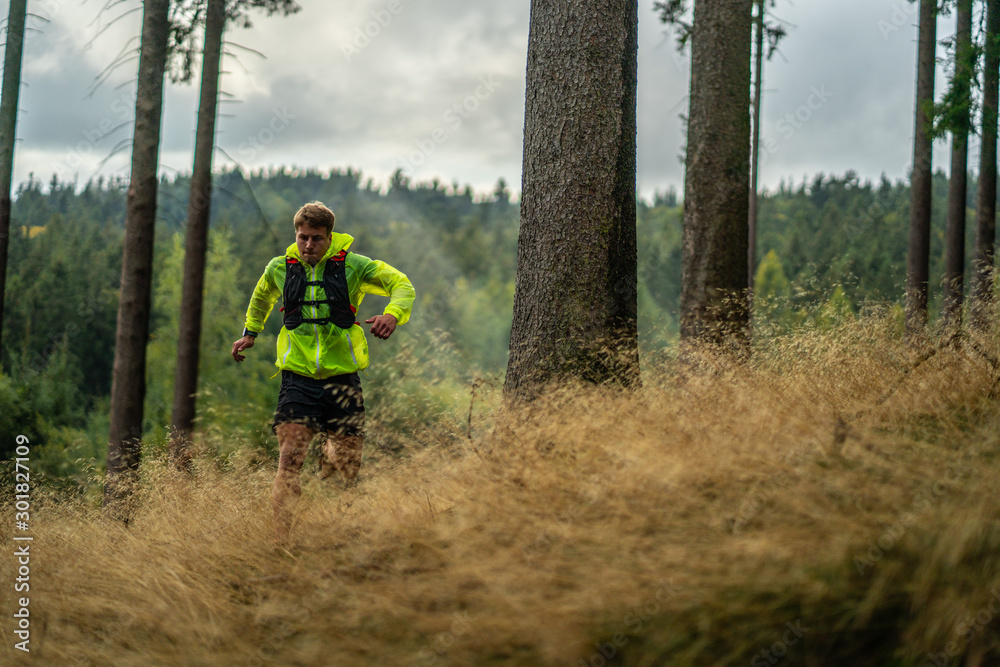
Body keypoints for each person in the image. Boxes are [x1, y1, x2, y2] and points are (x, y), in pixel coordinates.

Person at [231, 201, 414, 543]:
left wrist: (393, 314)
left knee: (348, 465)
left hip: (343, 380)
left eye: (316, 238)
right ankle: (281, 542)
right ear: (295, 236)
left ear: (331, 237)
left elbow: (402, 285)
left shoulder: (355, 266)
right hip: (297, 379)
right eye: (302, 238)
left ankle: (331, 451)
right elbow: (261, 298)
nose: (309, 246)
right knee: (289, 460)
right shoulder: (279, 267)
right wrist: (250, 333)